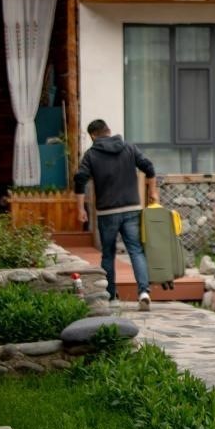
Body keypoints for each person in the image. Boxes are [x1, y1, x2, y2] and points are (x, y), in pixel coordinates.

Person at [73, 119, 158, 311]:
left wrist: (80, 209)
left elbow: (80, 180)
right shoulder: (129, 148)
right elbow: (149, 167)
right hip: (131, 208)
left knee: (108, 254)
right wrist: (153, 191)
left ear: (93, 135)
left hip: (107, 212)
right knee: (136, 250)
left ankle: (111, 297)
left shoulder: (91, 154)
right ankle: (144, 292)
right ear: (108, 131)